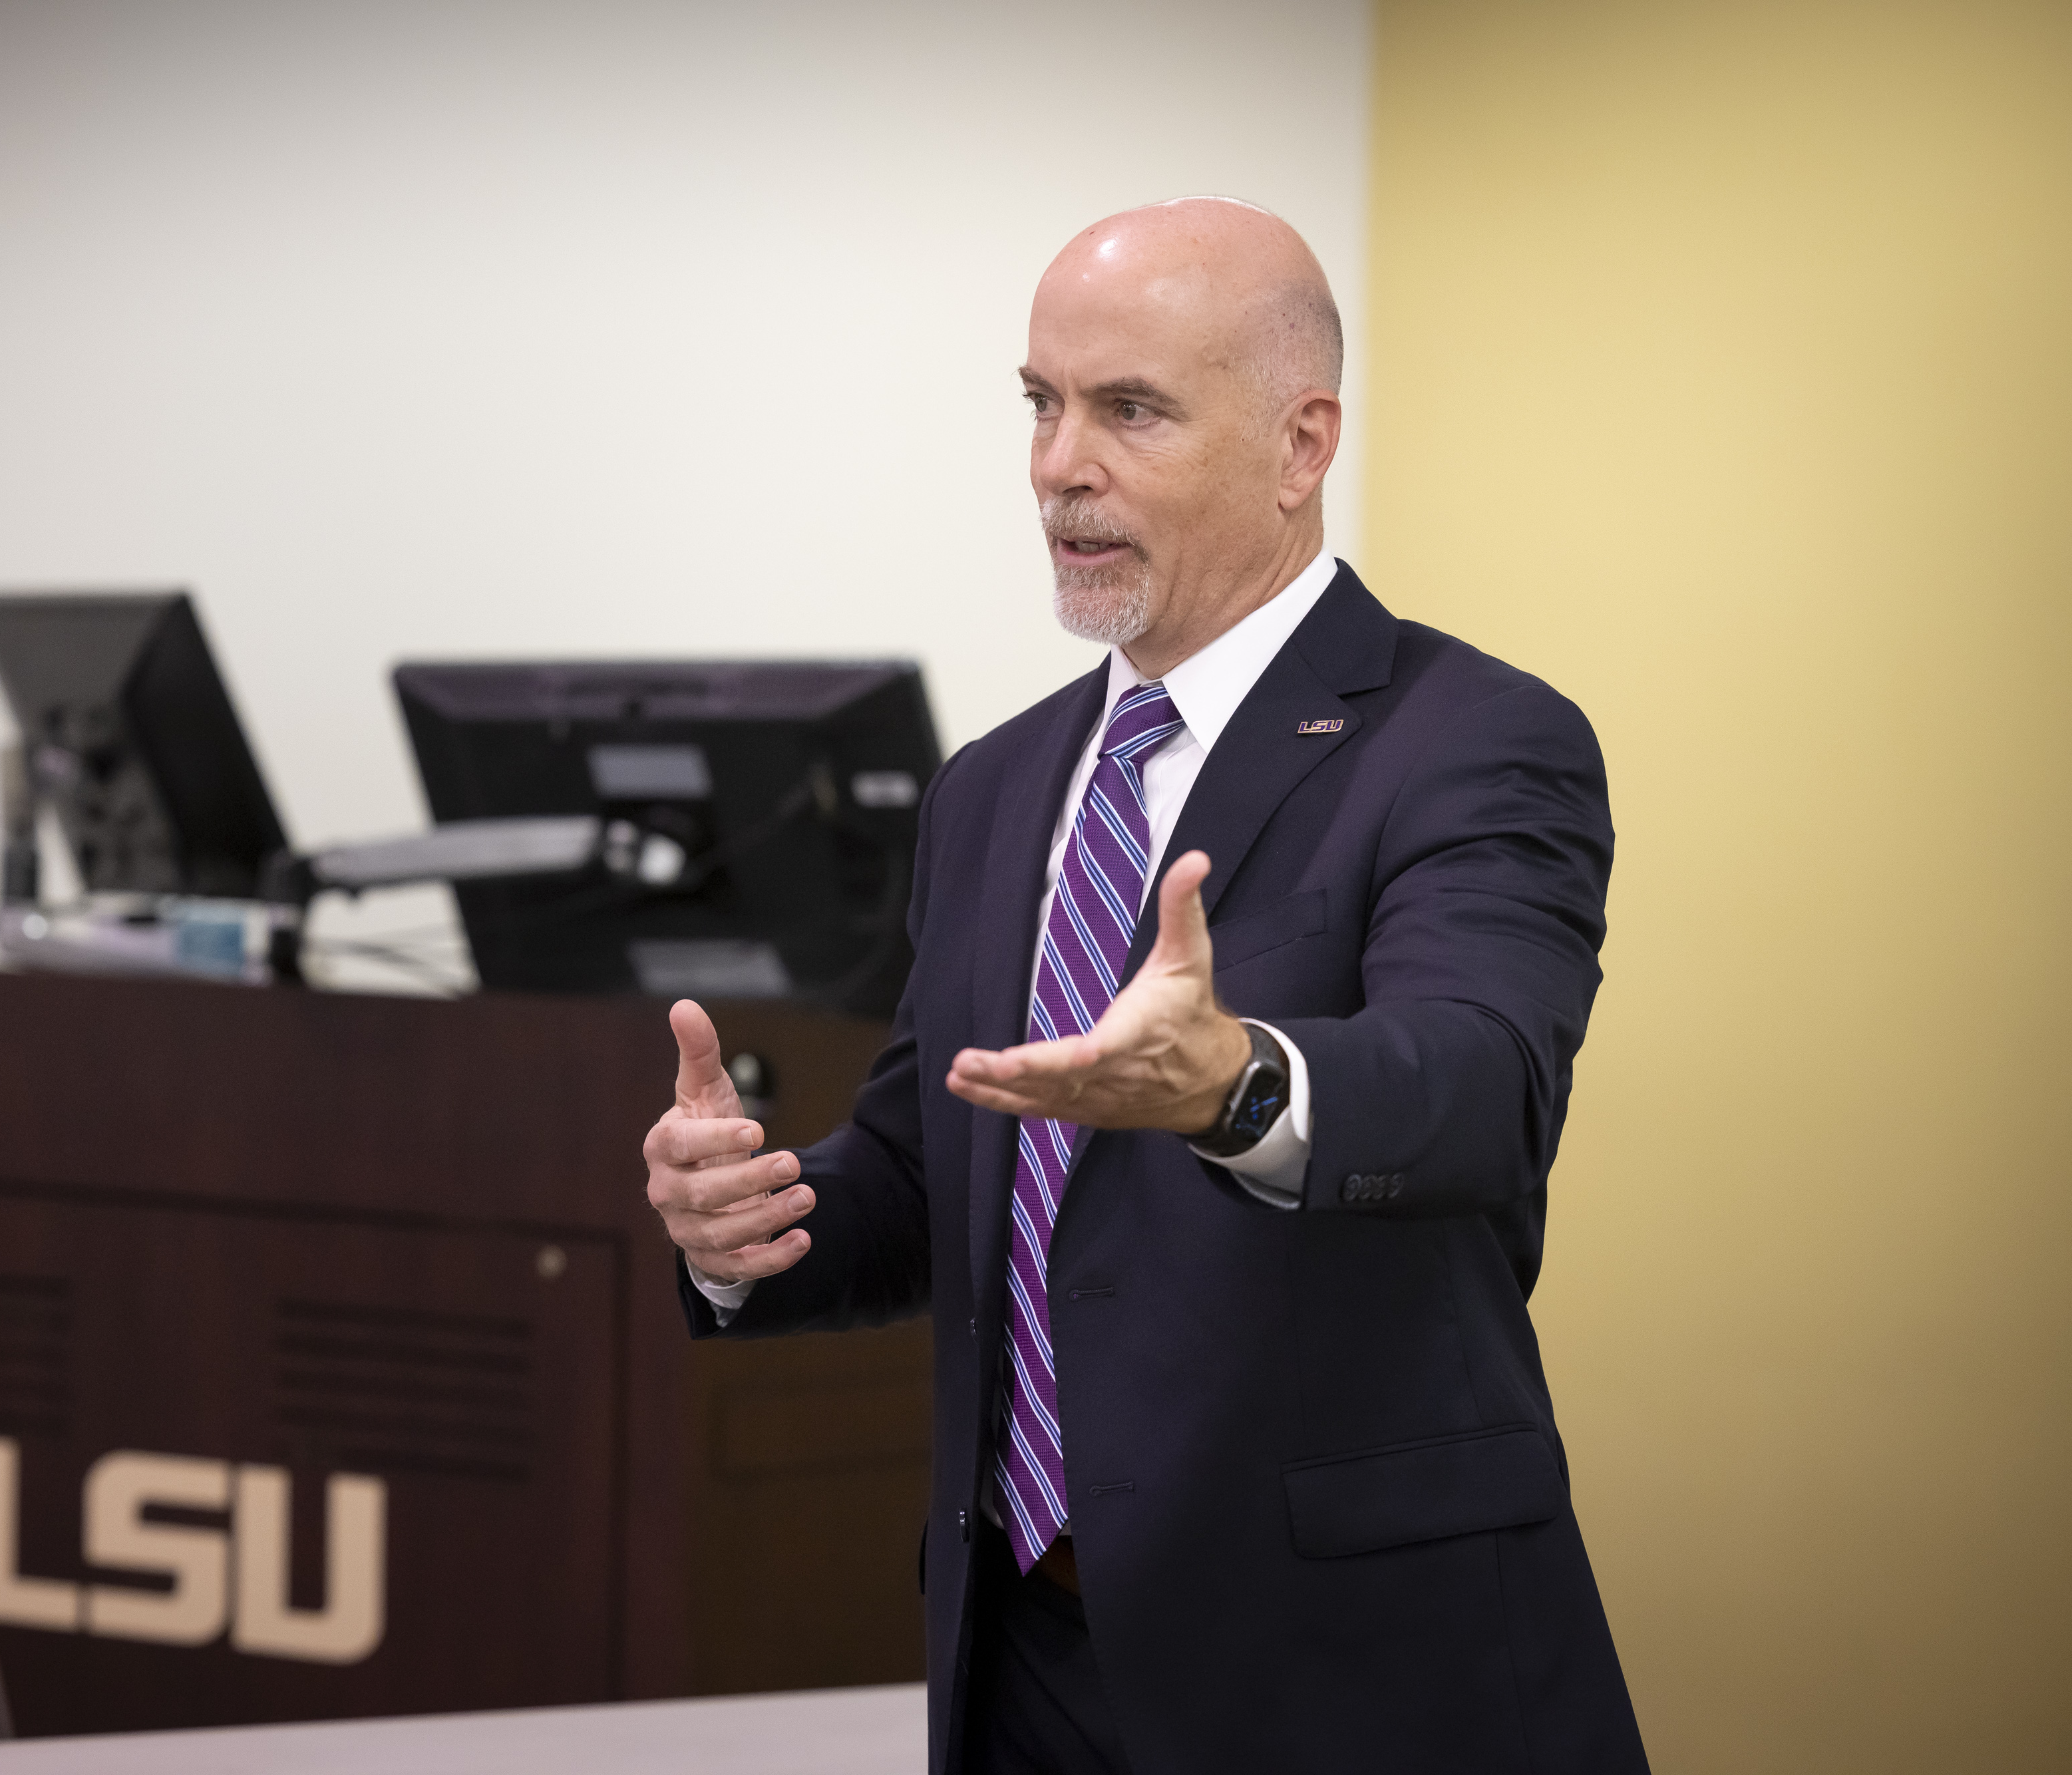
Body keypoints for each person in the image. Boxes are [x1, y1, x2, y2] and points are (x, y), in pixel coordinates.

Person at [641, 198, 1648, 1773]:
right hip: (1021, 1652)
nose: (1058, 465)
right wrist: (750, 1226)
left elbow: (1477, 1083)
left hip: (1345, 1664)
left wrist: (1239, 1082)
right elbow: (933, 1158)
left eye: (1129, 410)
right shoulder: (991, 784)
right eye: (1040, 404)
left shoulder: (1471, 737)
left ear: (1298, 443)